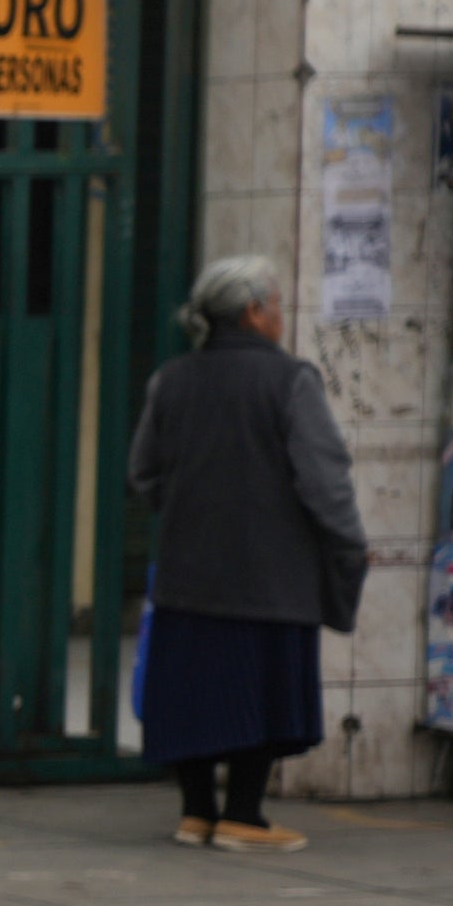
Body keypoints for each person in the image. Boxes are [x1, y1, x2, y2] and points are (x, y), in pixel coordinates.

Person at [126, 255, 366, 852]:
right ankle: (244, 816)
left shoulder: (172, 379)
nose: (282, 317)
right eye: (278, 305)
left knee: (194, 693)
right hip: (270, 576)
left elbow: (144, 474)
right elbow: (324, 477)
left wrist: (189, 506)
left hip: (189, 572)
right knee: (260, 691)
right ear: (254, 312)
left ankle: (196, 813)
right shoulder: (291, 381)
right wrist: (346, 542)